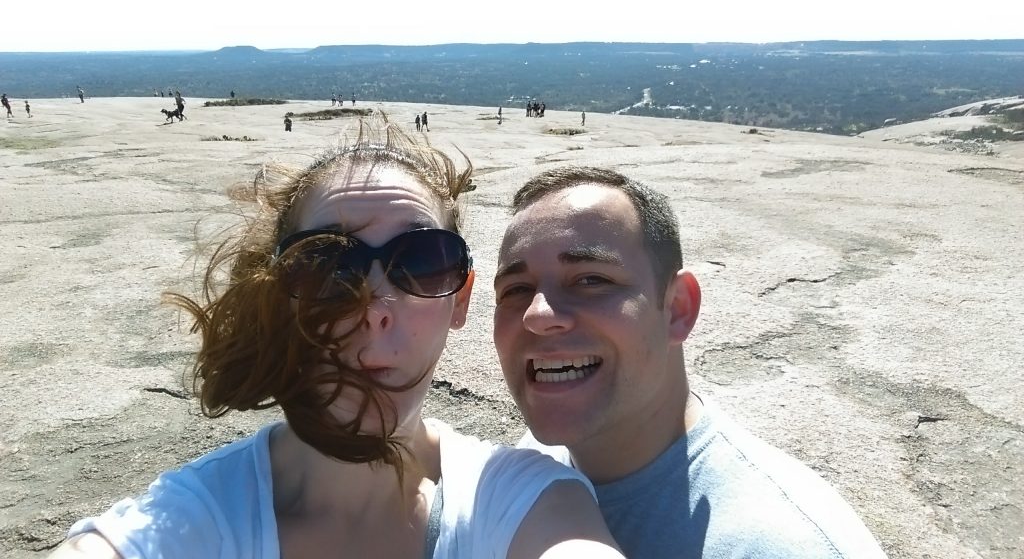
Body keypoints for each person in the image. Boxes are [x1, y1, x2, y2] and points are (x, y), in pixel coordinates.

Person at [48, 115, 623, 559]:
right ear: (278, 294)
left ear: (461, 299)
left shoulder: (526, 499)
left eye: (422, 262)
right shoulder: (194, 517)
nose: (373, 307)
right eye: (326, 265)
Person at [493, 166, 889, 559]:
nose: (538, 315)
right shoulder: (538, 466)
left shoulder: (786, 545)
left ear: (678, 309)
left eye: (590, 280)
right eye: (517, 289)